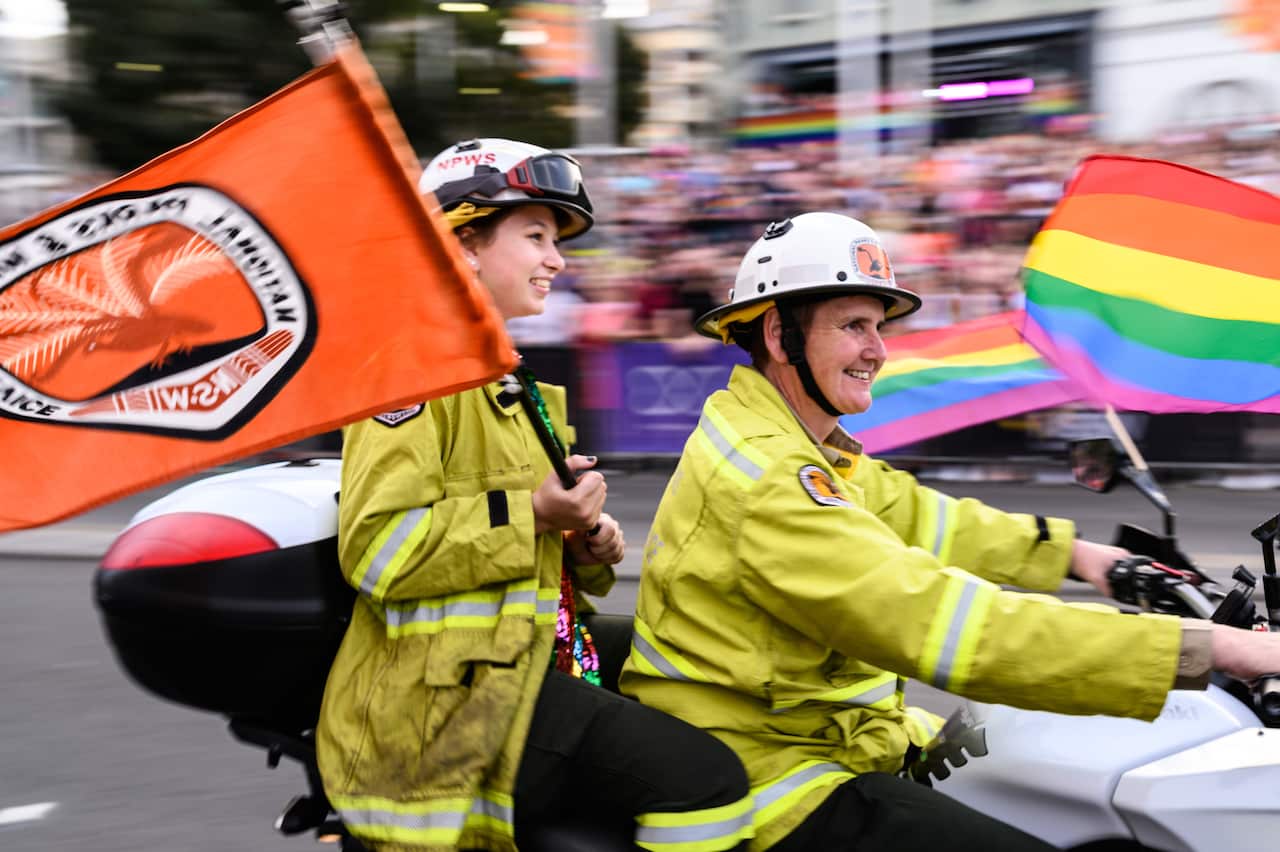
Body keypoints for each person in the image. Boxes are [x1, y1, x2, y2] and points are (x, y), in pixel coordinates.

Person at [619, 211, 1280, 851]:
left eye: (879, 328)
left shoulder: (793, 443)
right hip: (773, 783)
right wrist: (1210, 651)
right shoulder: (768, 480)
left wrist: (1086, 558)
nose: (877, 351)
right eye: (853, 326)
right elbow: (954, 627)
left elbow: (926, 517)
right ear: (778, 334)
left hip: (833, 739)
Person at [316, 139, 752, 852]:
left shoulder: (510, 383)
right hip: (452, 699)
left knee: (706, 650)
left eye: (556, 241)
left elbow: (530, 559)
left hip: (524, 655)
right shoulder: (406, 374)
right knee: (707, 783)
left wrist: (584, 541)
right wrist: (535, 514)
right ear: (463, 247)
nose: (557, 260)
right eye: (536, 236)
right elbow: (376, 552)